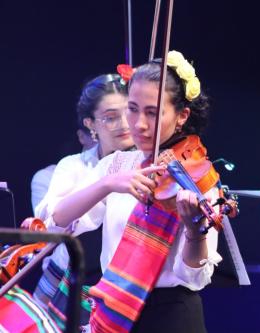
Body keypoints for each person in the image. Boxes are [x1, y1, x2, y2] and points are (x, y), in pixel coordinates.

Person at [50, 51, 220, 333]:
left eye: (152, 112)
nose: (138, 123)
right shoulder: (116, 164)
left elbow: (193, 274)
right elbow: (58, 219)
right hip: (115, 311)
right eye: (132, 108)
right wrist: (107, 183)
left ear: (181, 116)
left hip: (171, 319)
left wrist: (194, 230)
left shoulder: (196, 176)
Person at [31, 73, 134, 327]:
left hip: (131, 287)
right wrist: (106, 183)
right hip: (77, 284)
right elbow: (52, 221)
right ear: (90, 124)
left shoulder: (146, 162)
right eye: (111, 118)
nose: (124, 124)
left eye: (130, 112)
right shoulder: (73, 166)